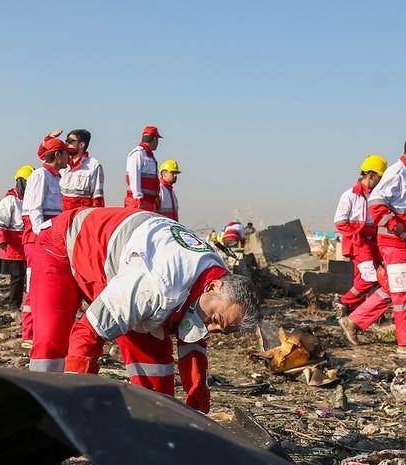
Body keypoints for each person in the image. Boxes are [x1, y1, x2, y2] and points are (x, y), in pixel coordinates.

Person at [28, 206, 259, 412]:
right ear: (212, 286)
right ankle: (41, 414)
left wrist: (197, 392)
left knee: (156, 382)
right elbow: (88, 333)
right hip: (63, 244)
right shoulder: (156, 286)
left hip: (121, 262)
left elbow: (194, 336)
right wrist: (75, 402)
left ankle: (155, 432)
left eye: (221, 330)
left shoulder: (216, 275)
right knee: (51, 343)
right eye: (214, 319)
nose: (210, 328)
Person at [347, 131, 406, 358]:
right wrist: (394, 225)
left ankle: (354, 321)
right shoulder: (398, 172)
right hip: (395, 244)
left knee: (393, 288)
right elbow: (376, 202)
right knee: (403, 293)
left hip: (403, 245)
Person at [21, 136, 68, 341]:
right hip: (36, 240)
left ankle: (38, 330)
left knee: (44, 285)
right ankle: (28, 333)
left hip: (47, 238)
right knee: (33, 286)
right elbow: (34, 209)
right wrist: (42, 234)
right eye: (66, 152)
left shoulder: (54, 177)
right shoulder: (40, 175)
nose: (69, 156)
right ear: (58, 155)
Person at [333, 154, 386, 326]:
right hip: (358, 242)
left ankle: (353, 314)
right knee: (370, 277)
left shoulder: (377, 196)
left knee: (361, 280)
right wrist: (357, 236)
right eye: (380, 177)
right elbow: (340, 222)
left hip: (372, 242)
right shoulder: (349, 196)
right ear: (371, 175)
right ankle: (344, 302)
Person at [0, 164, 33, 310]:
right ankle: (14, 305)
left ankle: (28, 303)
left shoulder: (29, 200)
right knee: (17, 276)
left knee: (28, 276)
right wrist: (1, 240)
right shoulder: (9, 200)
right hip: (14, 246)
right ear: (21, 181)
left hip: (27, 244)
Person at [60, 129, 105, 210]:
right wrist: (48, 138)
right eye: (66, 141)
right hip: (61, 216)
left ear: (81, 144)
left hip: (79, 217)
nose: (66, 144)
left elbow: (97, 199)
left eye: (70, 141)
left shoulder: (94, 165)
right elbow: (46, 157)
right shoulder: (62, 162)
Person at [124, 125, 161, 211]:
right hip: (138, 201)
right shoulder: (138, 154)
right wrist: (138, 198)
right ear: (155, 139)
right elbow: (134, 177)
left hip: (148, 202)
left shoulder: (148, 156)